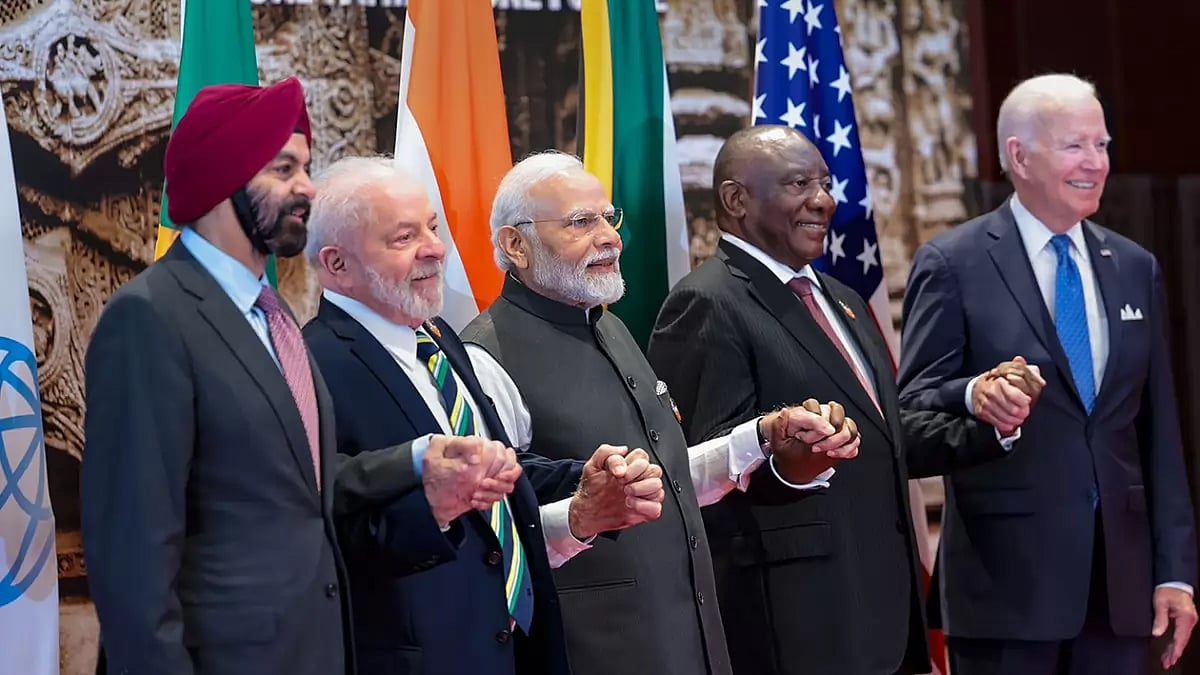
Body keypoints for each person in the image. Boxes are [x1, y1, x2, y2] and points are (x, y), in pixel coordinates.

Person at [81, 79, 520, 675]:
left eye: (305, 168)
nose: (307, 188)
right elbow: (132, 551)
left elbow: (306, 481)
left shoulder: (273, 315)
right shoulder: (150, 317)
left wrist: (418, 460)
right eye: (283, 169)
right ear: (220, 179)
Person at [646, 124, 1044, 675]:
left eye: (826, 184)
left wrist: (993, 421)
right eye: (798, 184)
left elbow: (885, 437)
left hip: (881, 614)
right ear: (737, 200)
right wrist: (793, 460)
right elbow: (704, 470)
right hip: (796, 626)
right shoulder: (707, 302)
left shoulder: (841, 299)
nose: (824, 201)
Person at [461, 150, 864, 675]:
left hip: (691, 643)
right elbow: (491, 538)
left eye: (609, 217)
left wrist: (764, 436)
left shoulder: (609, 326)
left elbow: (663, 479)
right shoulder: (485, 358)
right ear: (516, 245)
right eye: (581, 222)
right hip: (595, 653)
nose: (610, 238)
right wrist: (583, 515)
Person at [301, 156, 669, 675]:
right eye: (404, 237)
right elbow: (319, 532)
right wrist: (431, 508)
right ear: (337, 264)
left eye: (432, 227)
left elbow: (493, 466)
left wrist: (581, 484)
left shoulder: (436, 338)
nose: (435, 248)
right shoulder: (313, 367)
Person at [898, 73, 1198, 675]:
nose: (1096, 162)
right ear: (1019, 156)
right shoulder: (954, 264)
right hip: (1005, 595)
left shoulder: (1135, 266)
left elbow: (1159, 433)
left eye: (1102, 144)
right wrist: (978, 400)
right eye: (1074, 145)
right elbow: (909, 417)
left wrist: (1176, 573)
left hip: (1119, 595)